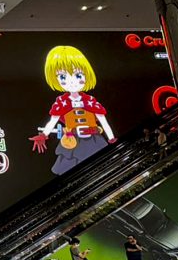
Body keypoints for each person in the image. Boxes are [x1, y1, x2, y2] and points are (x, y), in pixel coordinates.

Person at [30, 46, 116, 175]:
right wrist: (44, 135)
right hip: (72, 141)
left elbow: (103, 122)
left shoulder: (90, 100)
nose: (71, 81)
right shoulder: (61, 102)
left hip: (93, 139)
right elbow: (52, 121)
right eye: (63, 77)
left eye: (77, 75)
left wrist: (112, 139)